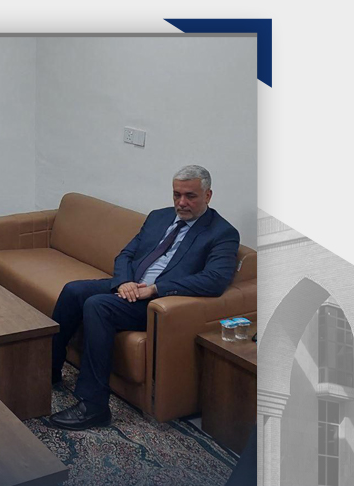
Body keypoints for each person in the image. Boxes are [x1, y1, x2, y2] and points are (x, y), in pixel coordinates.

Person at [49, 165, 239, 430]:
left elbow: (214, 280)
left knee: (97, 305)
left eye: (190, 196)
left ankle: (94, 406)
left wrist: (155, 289)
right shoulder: (159, 217)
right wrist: (124, 282)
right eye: (177, 195)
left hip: (156, 302)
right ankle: (49, 370)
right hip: (130, 286)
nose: (181, 203)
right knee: (73, 290)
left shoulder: (222, 233)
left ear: (208, 195)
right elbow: (126, 254)